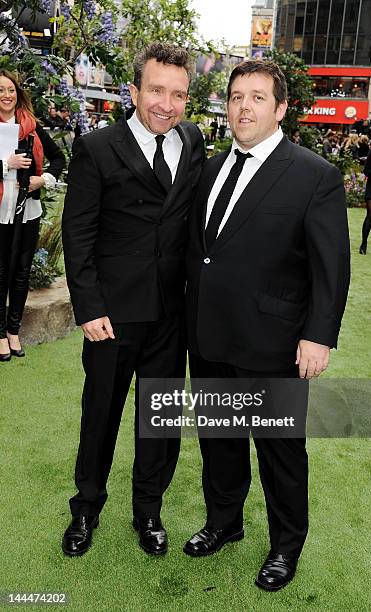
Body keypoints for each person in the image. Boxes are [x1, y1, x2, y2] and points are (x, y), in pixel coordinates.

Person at [184, 59, 350, 591]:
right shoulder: (210, 168)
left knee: (280, 452)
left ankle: (286, 545)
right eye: (236, 96)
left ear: (280, 108)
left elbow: (331, 267)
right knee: (219, 440)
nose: (243, 106)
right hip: (210, 337)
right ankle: (224, 522)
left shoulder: (314, 174)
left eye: (257, 97)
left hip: (275, 344)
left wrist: (319, 335)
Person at [61, 42, 205, 557]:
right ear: (134, 90)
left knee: (159, 424)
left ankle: (149, 512)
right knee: (100, 415)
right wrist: (89, 307)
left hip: (170, 317)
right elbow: (77, 234)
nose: (166, 104)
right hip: (112, 319)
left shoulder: (192, 141)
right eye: (156, 90)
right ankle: (86, 510)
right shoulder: (98, 147)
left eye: (178, 94)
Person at [0, 70, 65, 362]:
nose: (7, 96)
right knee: (1, 273)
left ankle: (14, 330)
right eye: (1, 90)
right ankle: (0, 333)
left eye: (11, 90)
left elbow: (58, 159)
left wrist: (44, 180)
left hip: (28, 209)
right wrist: (6, 163)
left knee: (22, 272)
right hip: (1, 211)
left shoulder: (31, 125)